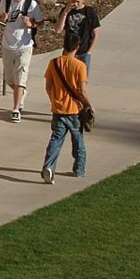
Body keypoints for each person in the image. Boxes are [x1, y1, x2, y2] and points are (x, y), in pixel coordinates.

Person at [40, 48, 93, 184]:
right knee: (78, 140)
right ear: (76, 48)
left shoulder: (54, 63)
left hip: (58, 109)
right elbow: (82, 90)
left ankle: (49, 167)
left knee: (56, 139)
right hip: (74, 111)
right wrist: (88, 105)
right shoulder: (80, 65)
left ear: (64, 47)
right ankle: (79, 169)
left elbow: (48, 86)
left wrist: (54, 99)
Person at [0, 0, 45, 122]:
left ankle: (16, 109)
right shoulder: (6, 1)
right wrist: (2, 18)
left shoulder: (31, 4)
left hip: (24, 45)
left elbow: (41, 23)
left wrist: (30, 23)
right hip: (7, 45)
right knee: (9, 78)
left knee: (20, 78)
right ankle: (21, 93)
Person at [57, 0, 100, 71]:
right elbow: (58, 30)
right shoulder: (66, 11)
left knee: (82, 80)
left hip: (83, 52)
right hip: (68, 52)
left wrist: (89, 52)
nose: (75, 4)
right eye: (73, 1)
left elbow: (96, 33)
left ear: (83, 0)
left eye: (78, 2)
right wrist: (65, 12)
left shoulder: (89, 12)